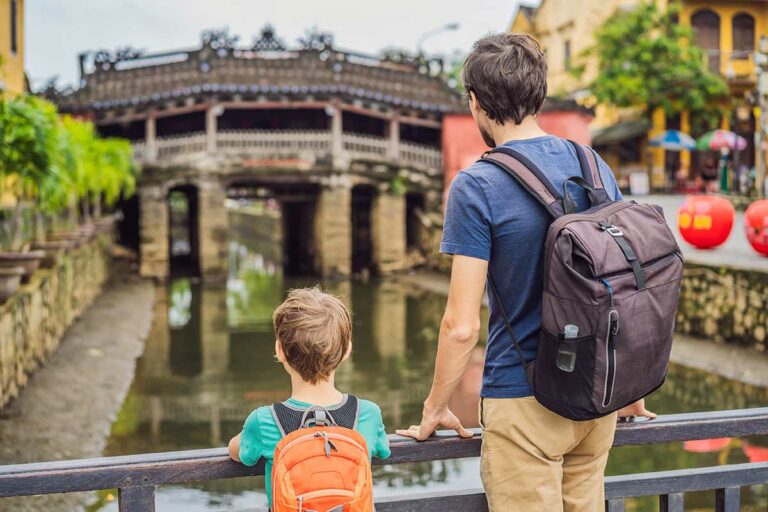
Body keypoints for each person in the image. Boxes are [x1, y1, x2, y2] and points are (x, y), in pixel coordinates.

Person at [396, 34, 655, 511]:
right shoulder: (591, 164)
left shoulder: (477, 184)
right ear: (538, 93)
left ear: (476, 102)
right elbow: (624, 288)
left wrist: (436, 406)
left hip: (523, 399)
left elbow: (461, 327)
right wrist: (629, 385)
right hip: (597, 395)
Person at [228, 287, 390, 509]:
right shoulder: (368, 414)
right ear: (347, 351)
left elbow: (236, 452)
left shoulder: (264, 420)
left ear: (279, 350)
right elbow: (383, 448)